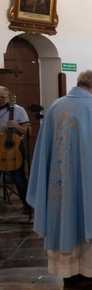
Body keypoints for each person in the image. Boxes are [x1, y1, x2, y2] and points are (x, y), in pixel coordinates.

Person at [27, 70, 92, 289]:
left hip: (59, 182)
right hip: (86, 183)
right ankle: (87, 273)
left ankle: (68, 272)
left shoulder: (56, 106)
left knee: (63, 219)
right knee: (86, 216)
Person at [0, 86, 32, 216]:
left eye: (2, 96)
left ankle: (27, 205)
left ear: (8, 97)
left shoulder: (18, 110)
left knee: (19, 179)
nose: (0, 99)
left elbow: (29, 131)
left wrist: (16, 126)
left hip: (13, 149)